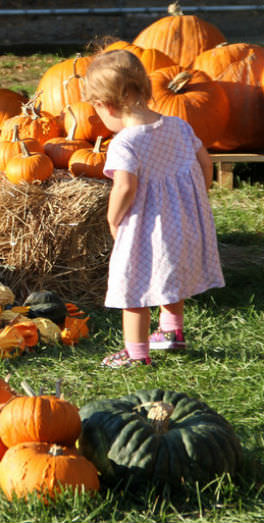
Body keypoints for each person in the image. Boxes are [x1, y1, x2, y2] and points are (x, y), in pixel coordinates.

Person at [81, 49, 225, 368]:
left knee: (134, 288)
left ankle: (137, 354)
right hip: (183, 221)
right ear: (145, 88)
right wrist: (198, 197)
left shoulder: (125, 143)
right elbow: (205, 162)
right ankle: (172, 333)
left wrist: (112, 216)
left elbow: (125, 187)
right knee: (170, 274)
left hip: (145, 228)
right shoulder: (178, 126)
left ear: (105, 105)